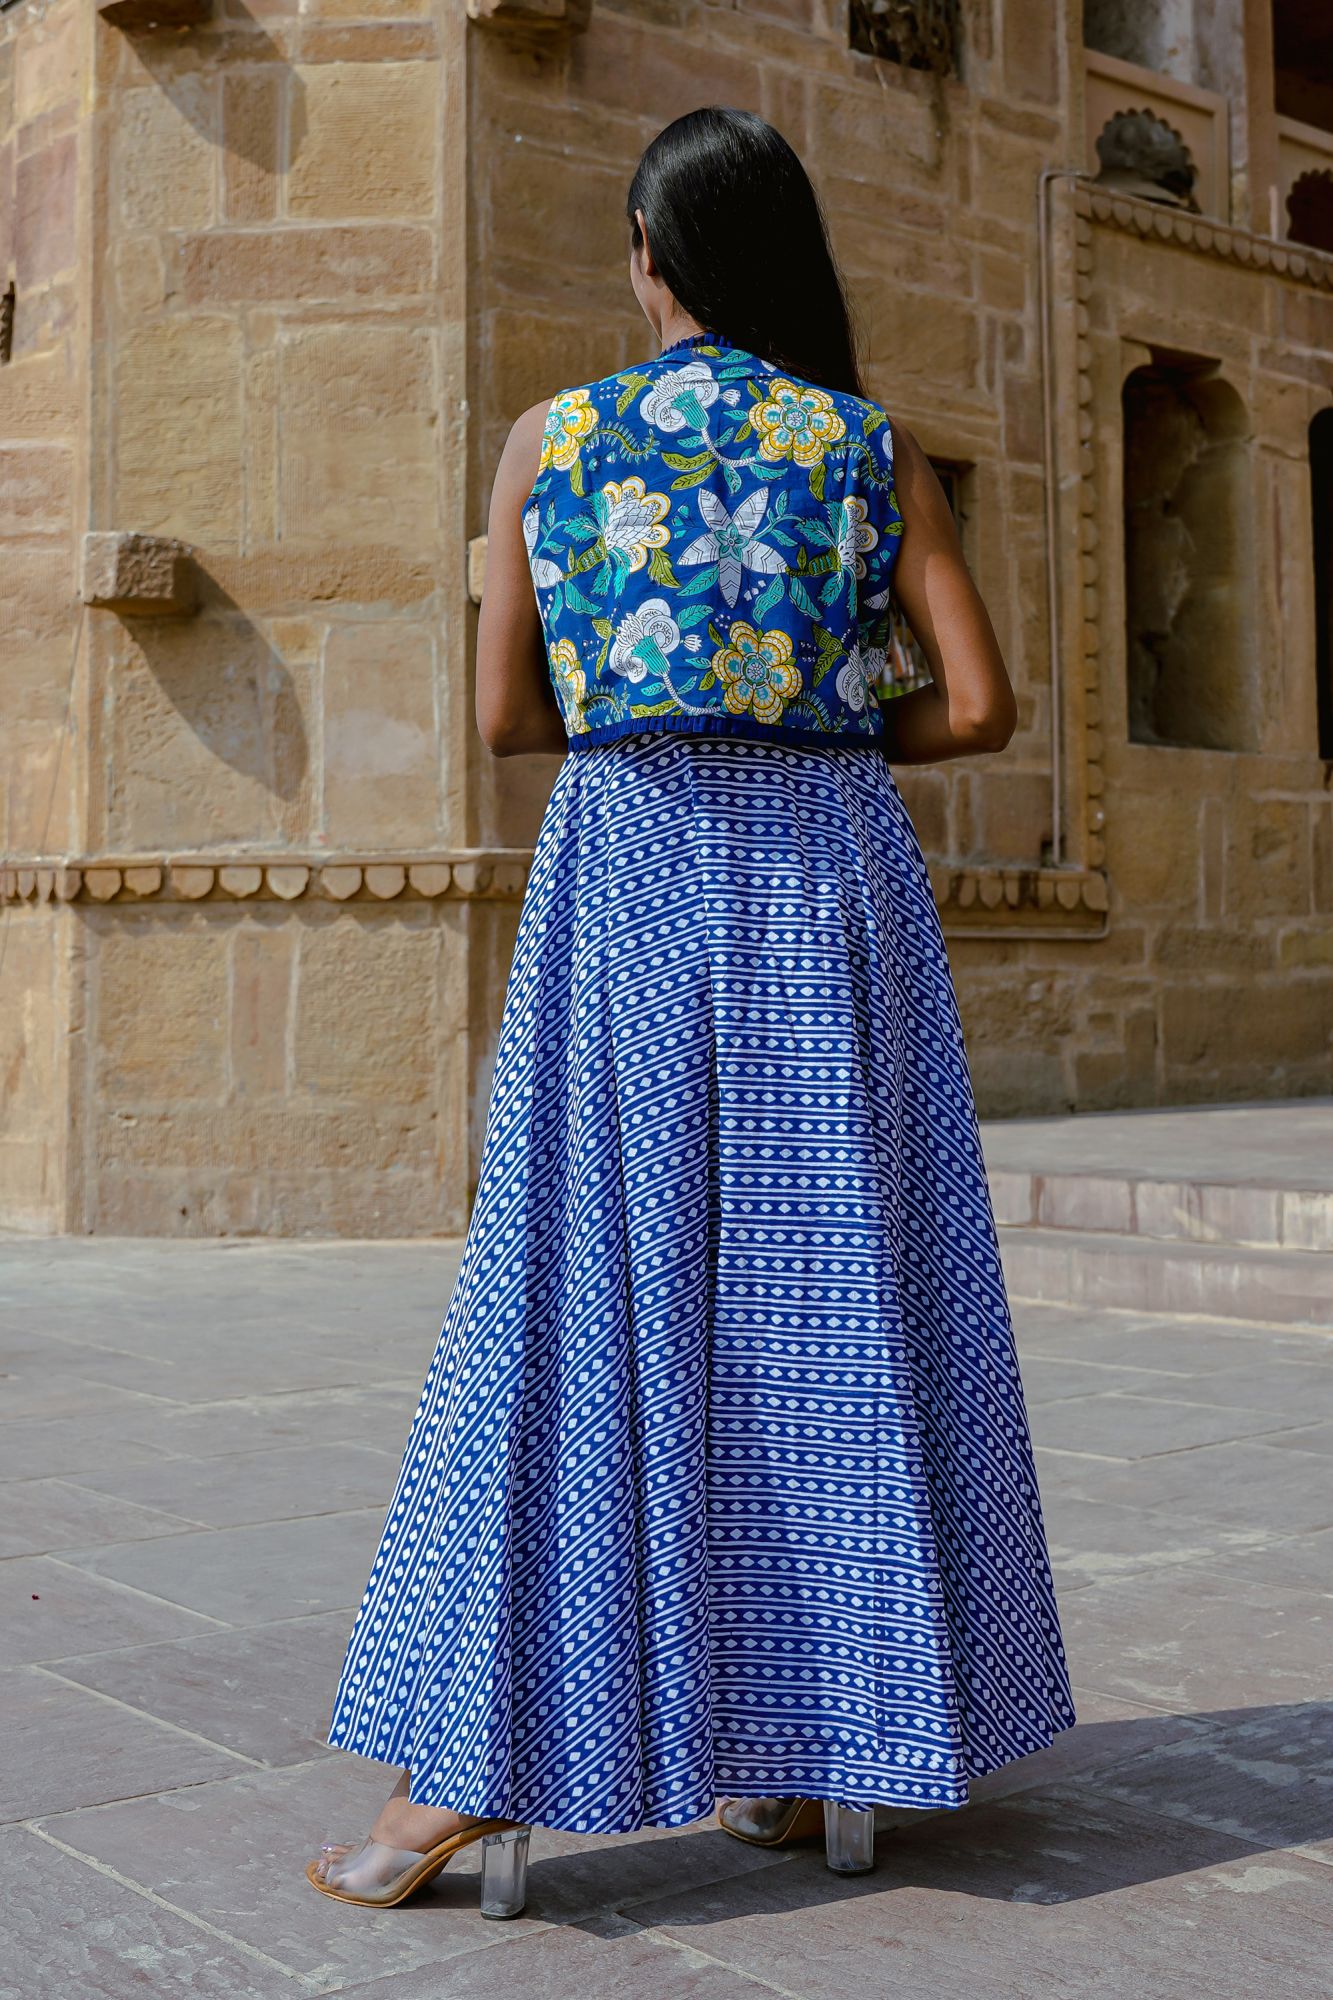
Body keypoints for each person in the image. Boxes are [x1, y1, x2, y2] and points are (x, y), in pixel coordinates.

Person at [306, 105, 1075, 1918]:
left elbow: (505, 720)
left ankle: (460, 1781)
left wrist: (668, 713)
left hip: (633, 878)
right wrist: (806, 732)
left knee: (575, 1293)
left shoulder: (549, 441)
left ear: (651, 261)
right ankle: (837, 1753)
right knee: (840, 1308)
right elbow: (979, 708)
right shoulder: (866, 448)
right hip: (826, 889)